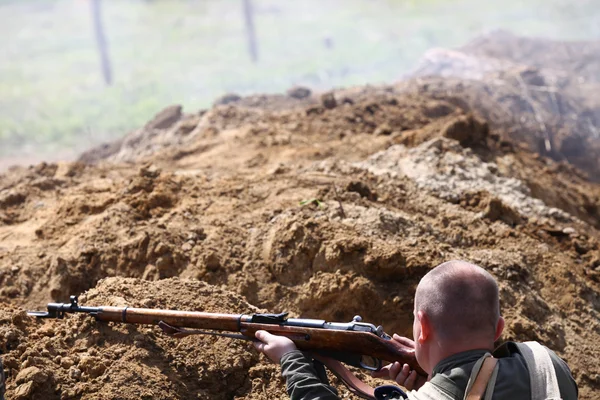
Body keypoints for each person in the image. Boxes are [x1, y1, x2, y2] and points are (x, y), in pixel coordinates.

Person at [254, 260, 578, 399]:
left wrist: (290, 359)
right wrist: (437, 379)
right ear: (499, 329)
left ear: (421, 326)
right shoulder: (548, 365)